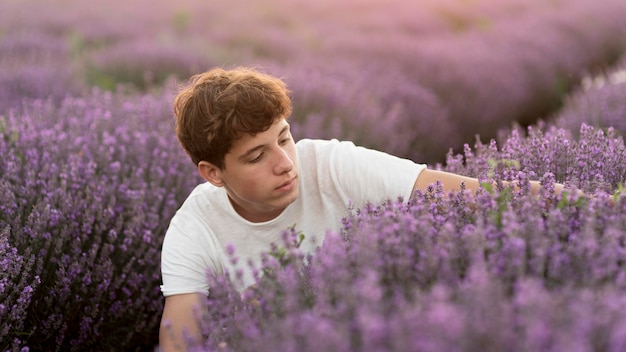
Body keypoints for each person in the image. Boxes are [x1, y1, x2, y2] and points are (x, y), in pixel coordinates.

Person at [158, 66, 561, 351]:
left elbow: (467, 194)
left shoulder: (332, 164)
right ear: (213, 173)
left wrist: (592, 201)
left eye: (284, 138)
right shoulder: (194, 230)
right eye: (256, 156)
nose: (284, 162)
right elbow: (179, 338)